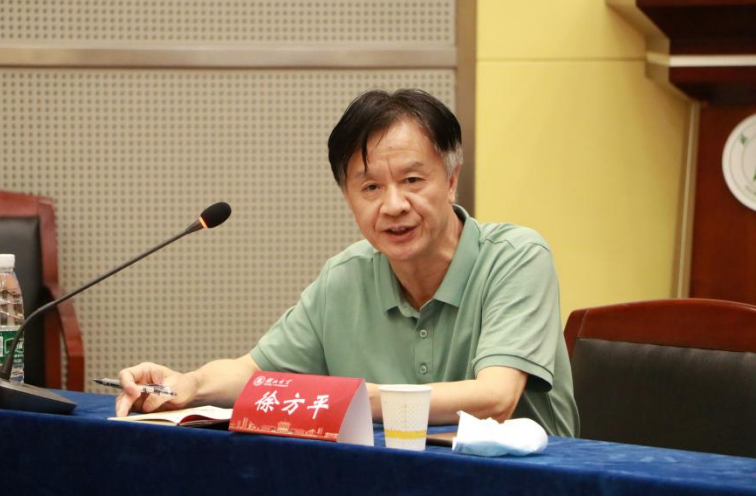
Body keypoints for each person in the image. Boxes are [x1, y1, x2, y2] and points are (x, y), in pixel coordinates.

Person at [116, 89, 579, 437]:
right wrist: (189, 385)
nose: (394, 205)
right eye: (371, 187)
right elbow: (255, 372)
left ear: (452, 179)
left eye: (412, 180)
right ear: (348, 197)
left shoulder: (516, 258)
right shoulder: (346, 276)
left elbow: (494, 398)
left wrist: (344, 400)